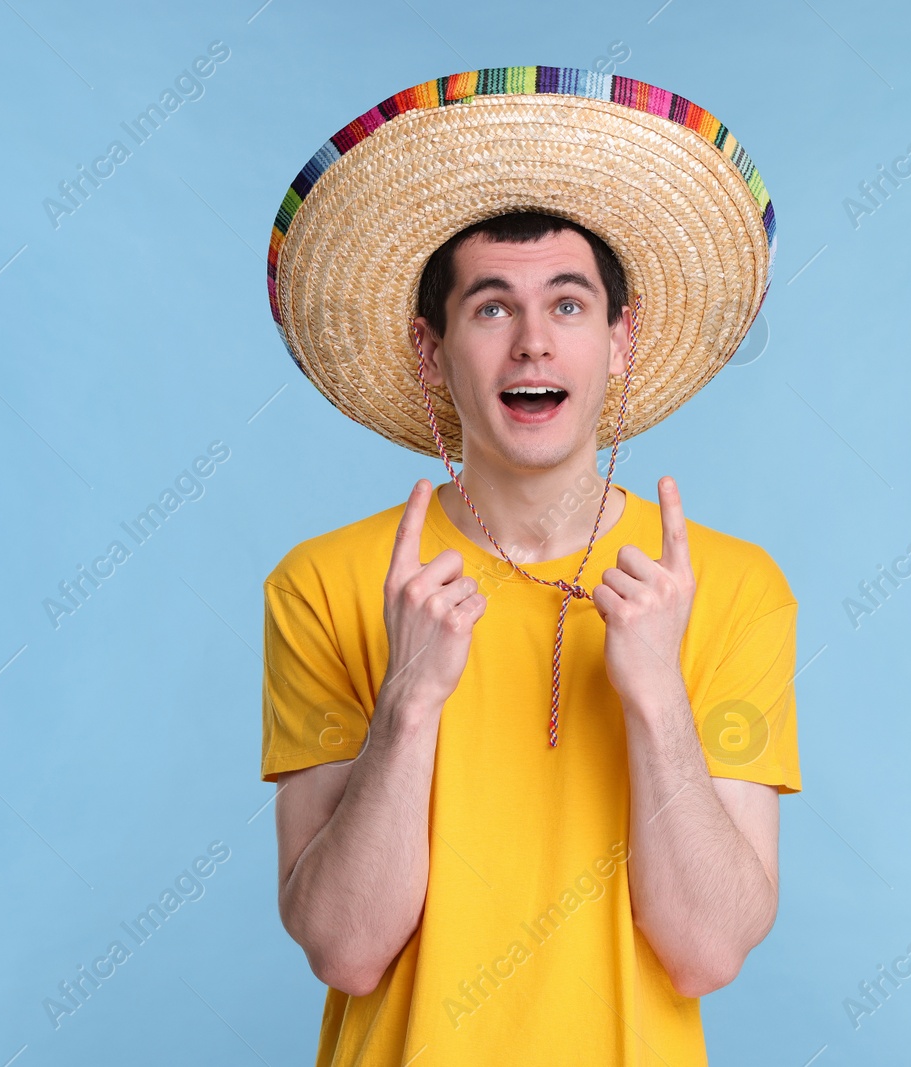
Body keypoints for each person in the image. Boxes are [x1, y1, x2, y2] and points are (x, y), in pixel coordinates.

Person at [261, 66, 799, 1066]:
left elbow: (706, 949)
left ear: (619, 339)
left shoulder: (732, 588)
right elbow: (343, 947)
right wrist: (409, 699)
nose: (534, 342)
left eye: (568, 302)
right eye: (492, 309)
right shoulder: (326, 583)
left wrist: (655, 696)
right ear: (431, 350)